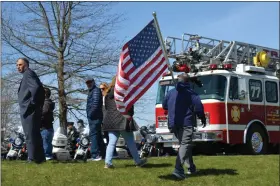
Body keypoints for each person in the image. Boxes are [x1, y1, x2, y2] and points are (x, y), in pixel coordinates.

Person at [162, 73, 206, 180]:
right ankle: (178, 169)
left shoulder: (170, 93)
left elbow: (164, 105)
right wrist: (202, 118)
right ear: (188, 82)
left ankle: (191, 167)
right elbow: (199, 108)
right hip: (186, 123)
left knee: (185, 145)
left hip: (173, 124)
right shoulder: (191, 94)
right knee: (185, 145)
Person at [102, 76, 147, 169]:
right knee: (130, 142)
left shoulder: (107, 94)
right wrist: (130, 115)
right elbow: (129, 106)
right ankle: (138, 162)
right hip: (122, 119)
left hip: (111, 121)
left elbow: (106, 108)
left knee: (111, 142)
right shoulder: (123, 93)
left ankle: (107, 162)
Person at [17, 58, 45, 164]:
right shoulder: (29, 74)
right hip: (31, 109)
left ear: (26, 65)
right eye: (17, 65)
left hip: (29, 110)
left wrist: (32, 104)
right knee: (35, 134)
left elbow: (37, 88)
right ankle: (40, 158)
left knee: (30, 135)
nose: (18, 67)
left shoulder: (28, 73)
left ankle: (32, 158)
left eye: (20, 64)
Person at [86, 77, 105, 161]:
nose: (89, 84)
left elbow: (96, 104)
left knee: (93, 135)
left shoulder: (95, 91)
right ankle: (103, 154)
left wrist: (90, 114)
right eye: (87, 83)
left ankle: (95, 155)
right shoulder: (93, 91)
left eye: (90, 82)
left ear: (93, 82)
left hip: (94, 117)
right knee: (98, 135)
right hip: (96, 116)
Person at [100, 82, 118, 158]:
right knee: (107, 137)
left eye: (103, 88)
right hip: (104, 118)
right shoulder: (102, 97)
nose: (101, 90)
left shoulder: (108, 96)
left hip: (108, 118)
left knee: (110, 137)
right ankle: (111, 153)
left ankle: (113, 153)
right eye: (100, 89)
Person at [40, 88, 55, 160]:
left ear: (45, 94)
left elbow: (44, 113)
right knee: (47, 142)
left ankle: (47, 156)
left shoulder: (46, 103)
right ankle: (47, 155)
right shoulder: (48, 102)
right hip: (48, 127)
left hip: (45, 127)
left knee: (45, 142)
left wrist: (38, 118)